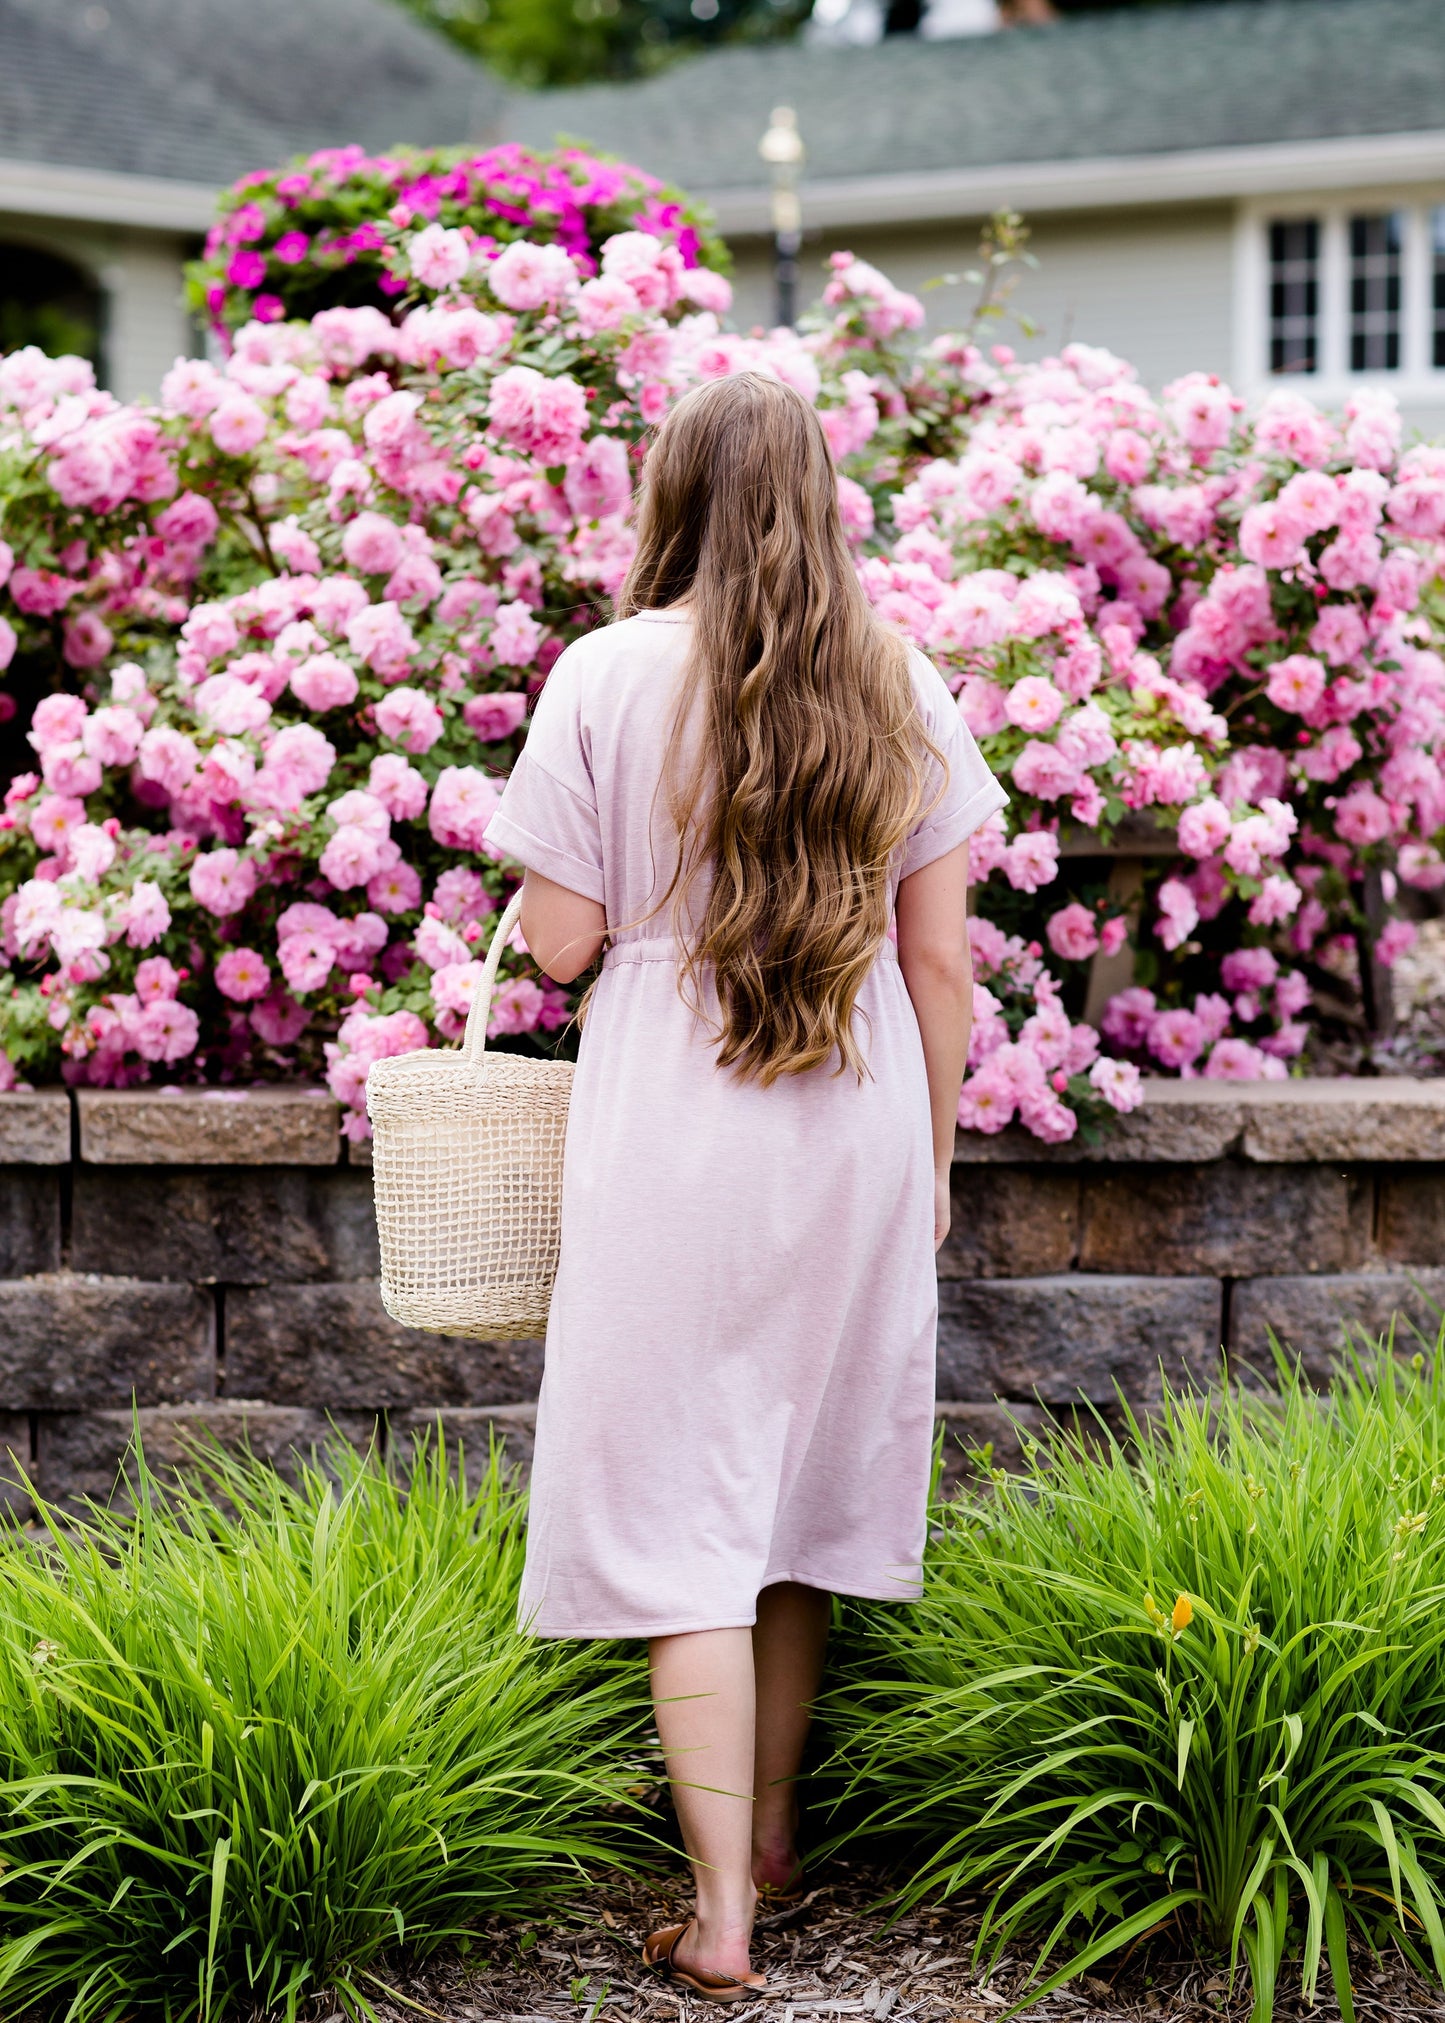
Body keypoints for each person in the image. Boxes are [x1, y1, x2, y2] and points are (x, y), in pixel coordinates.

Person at [483, 371, 1007, 2002]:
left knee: (674, 1516)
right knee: (788, 1494)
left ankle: (719, 1915)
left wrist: (549, 901)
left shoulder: (606, 672)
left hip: (674, 1131)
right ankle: (771, 1836)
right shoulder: (898, 676)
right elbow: (939, 966)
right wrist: (926, 1162)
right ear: (820, 495)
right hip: (847, 1123)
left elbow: (563, 942)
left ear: (674, 494)